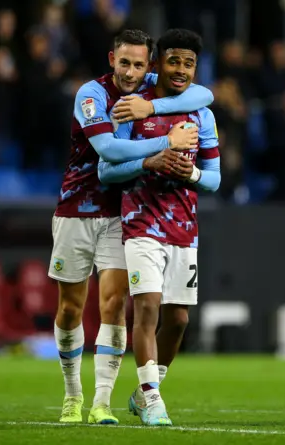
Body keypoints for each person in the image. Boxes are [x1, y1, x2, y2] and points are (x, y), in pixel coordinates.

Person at [49, 28, 214, 425]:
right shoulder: (92, 94)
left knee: (113, 307)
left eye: (140, 64)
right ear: (112, 59)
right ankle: (72, 393)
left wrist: (151, 112)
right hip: (76, 209)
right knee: (70, 309)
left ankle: (101, 402)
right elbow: (107, 151)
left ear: (149, 65)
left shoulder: (153, 89)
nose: (132, 72)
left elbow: (204, 96)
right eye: (125, 63)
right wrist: (164, 145)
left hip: (122, 213)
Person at [97, 28, 221, 426]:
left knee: (180, 320)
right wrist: (149, 162)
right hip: (141, 221)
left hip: (184, 226)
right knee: (147, 308)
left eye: (189, 63)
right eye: (173, 61)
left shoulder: (203, 113)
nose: (181, 70)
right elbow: (107, 169)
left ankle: (143, 391)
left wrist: (193, 173)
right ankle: (153, 400)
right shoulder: (132, 106)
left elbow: (216, 178)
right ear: (157, 64)